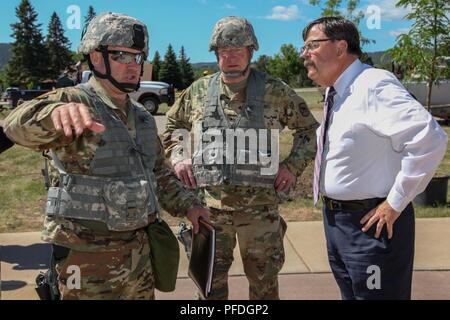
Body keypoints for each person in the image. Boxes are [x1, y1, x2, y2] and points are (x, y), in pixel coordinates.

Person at [4, 12, 209, 300]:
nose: (133, 66)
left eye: (138, 58)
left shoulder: (143, 117)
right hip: (87, 261)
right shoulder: (73, 101)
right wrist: (52, 114)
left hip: (139, 256)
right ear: (96, 57)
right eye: (123, 56)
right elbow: (15, 125)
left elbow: (159, 175)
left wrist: (189, 205)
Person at [163, 16, 319, 300]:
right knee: (209, 285)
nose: (231, 57)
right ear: (215, 53)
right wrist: (179, 154)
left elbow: (309, 130)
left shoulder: (275, 91)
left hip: (260, 212)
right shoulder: (197, 92)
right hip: (209, 211)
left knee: (264, 287)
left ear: (251, 51)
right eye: (224, 51)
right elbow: (173, 126)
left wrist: (292, 166)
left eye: (238, 50)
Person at [302, 16, 448, 300]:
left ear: (341, 47)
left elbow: (429, 138)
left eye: (312, 46)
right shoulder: (338, 92)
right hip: (338, 222)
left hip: (369, 225)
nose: (304, 55)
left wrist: (394, 204)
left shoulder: (373, 85)